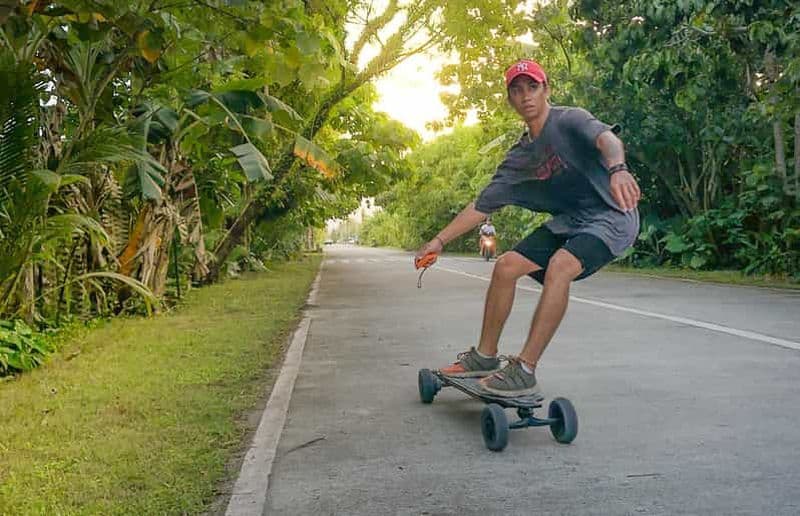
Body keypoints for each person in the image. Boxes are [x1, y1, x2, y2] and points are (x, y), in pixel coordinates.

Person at [415, 59, 641, 397]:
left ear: (546, 89)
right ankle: (485, 356)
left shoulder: (570, 120)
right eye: (517, 90)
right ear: (510, 100)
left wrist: (618, 168)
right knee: (505, 266)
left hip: (612, 217)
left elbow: (606, 139)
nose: (526, 96)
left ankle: (524, 369)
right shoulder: (519, 158)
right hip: (570, 224)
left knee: (560, 265)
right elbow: (481, 205)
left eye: (532, 87)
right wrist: (438, 240)